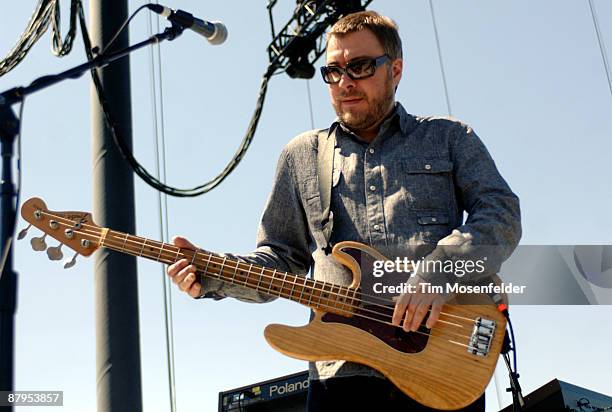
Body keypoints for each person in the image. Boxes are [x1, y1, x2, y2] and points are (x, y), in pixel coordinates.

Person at [167, 10, 521, 412]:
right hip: (342, 379)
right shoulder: (302, 155)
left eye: (360, 66)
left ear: (396, 70)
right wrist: (214, 276)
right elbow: (281, 258)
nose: (345, 82)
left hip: (441, 363)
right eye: (333, 71)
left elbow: (501, 214)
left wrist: (438, 272)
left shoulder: (448, 137)